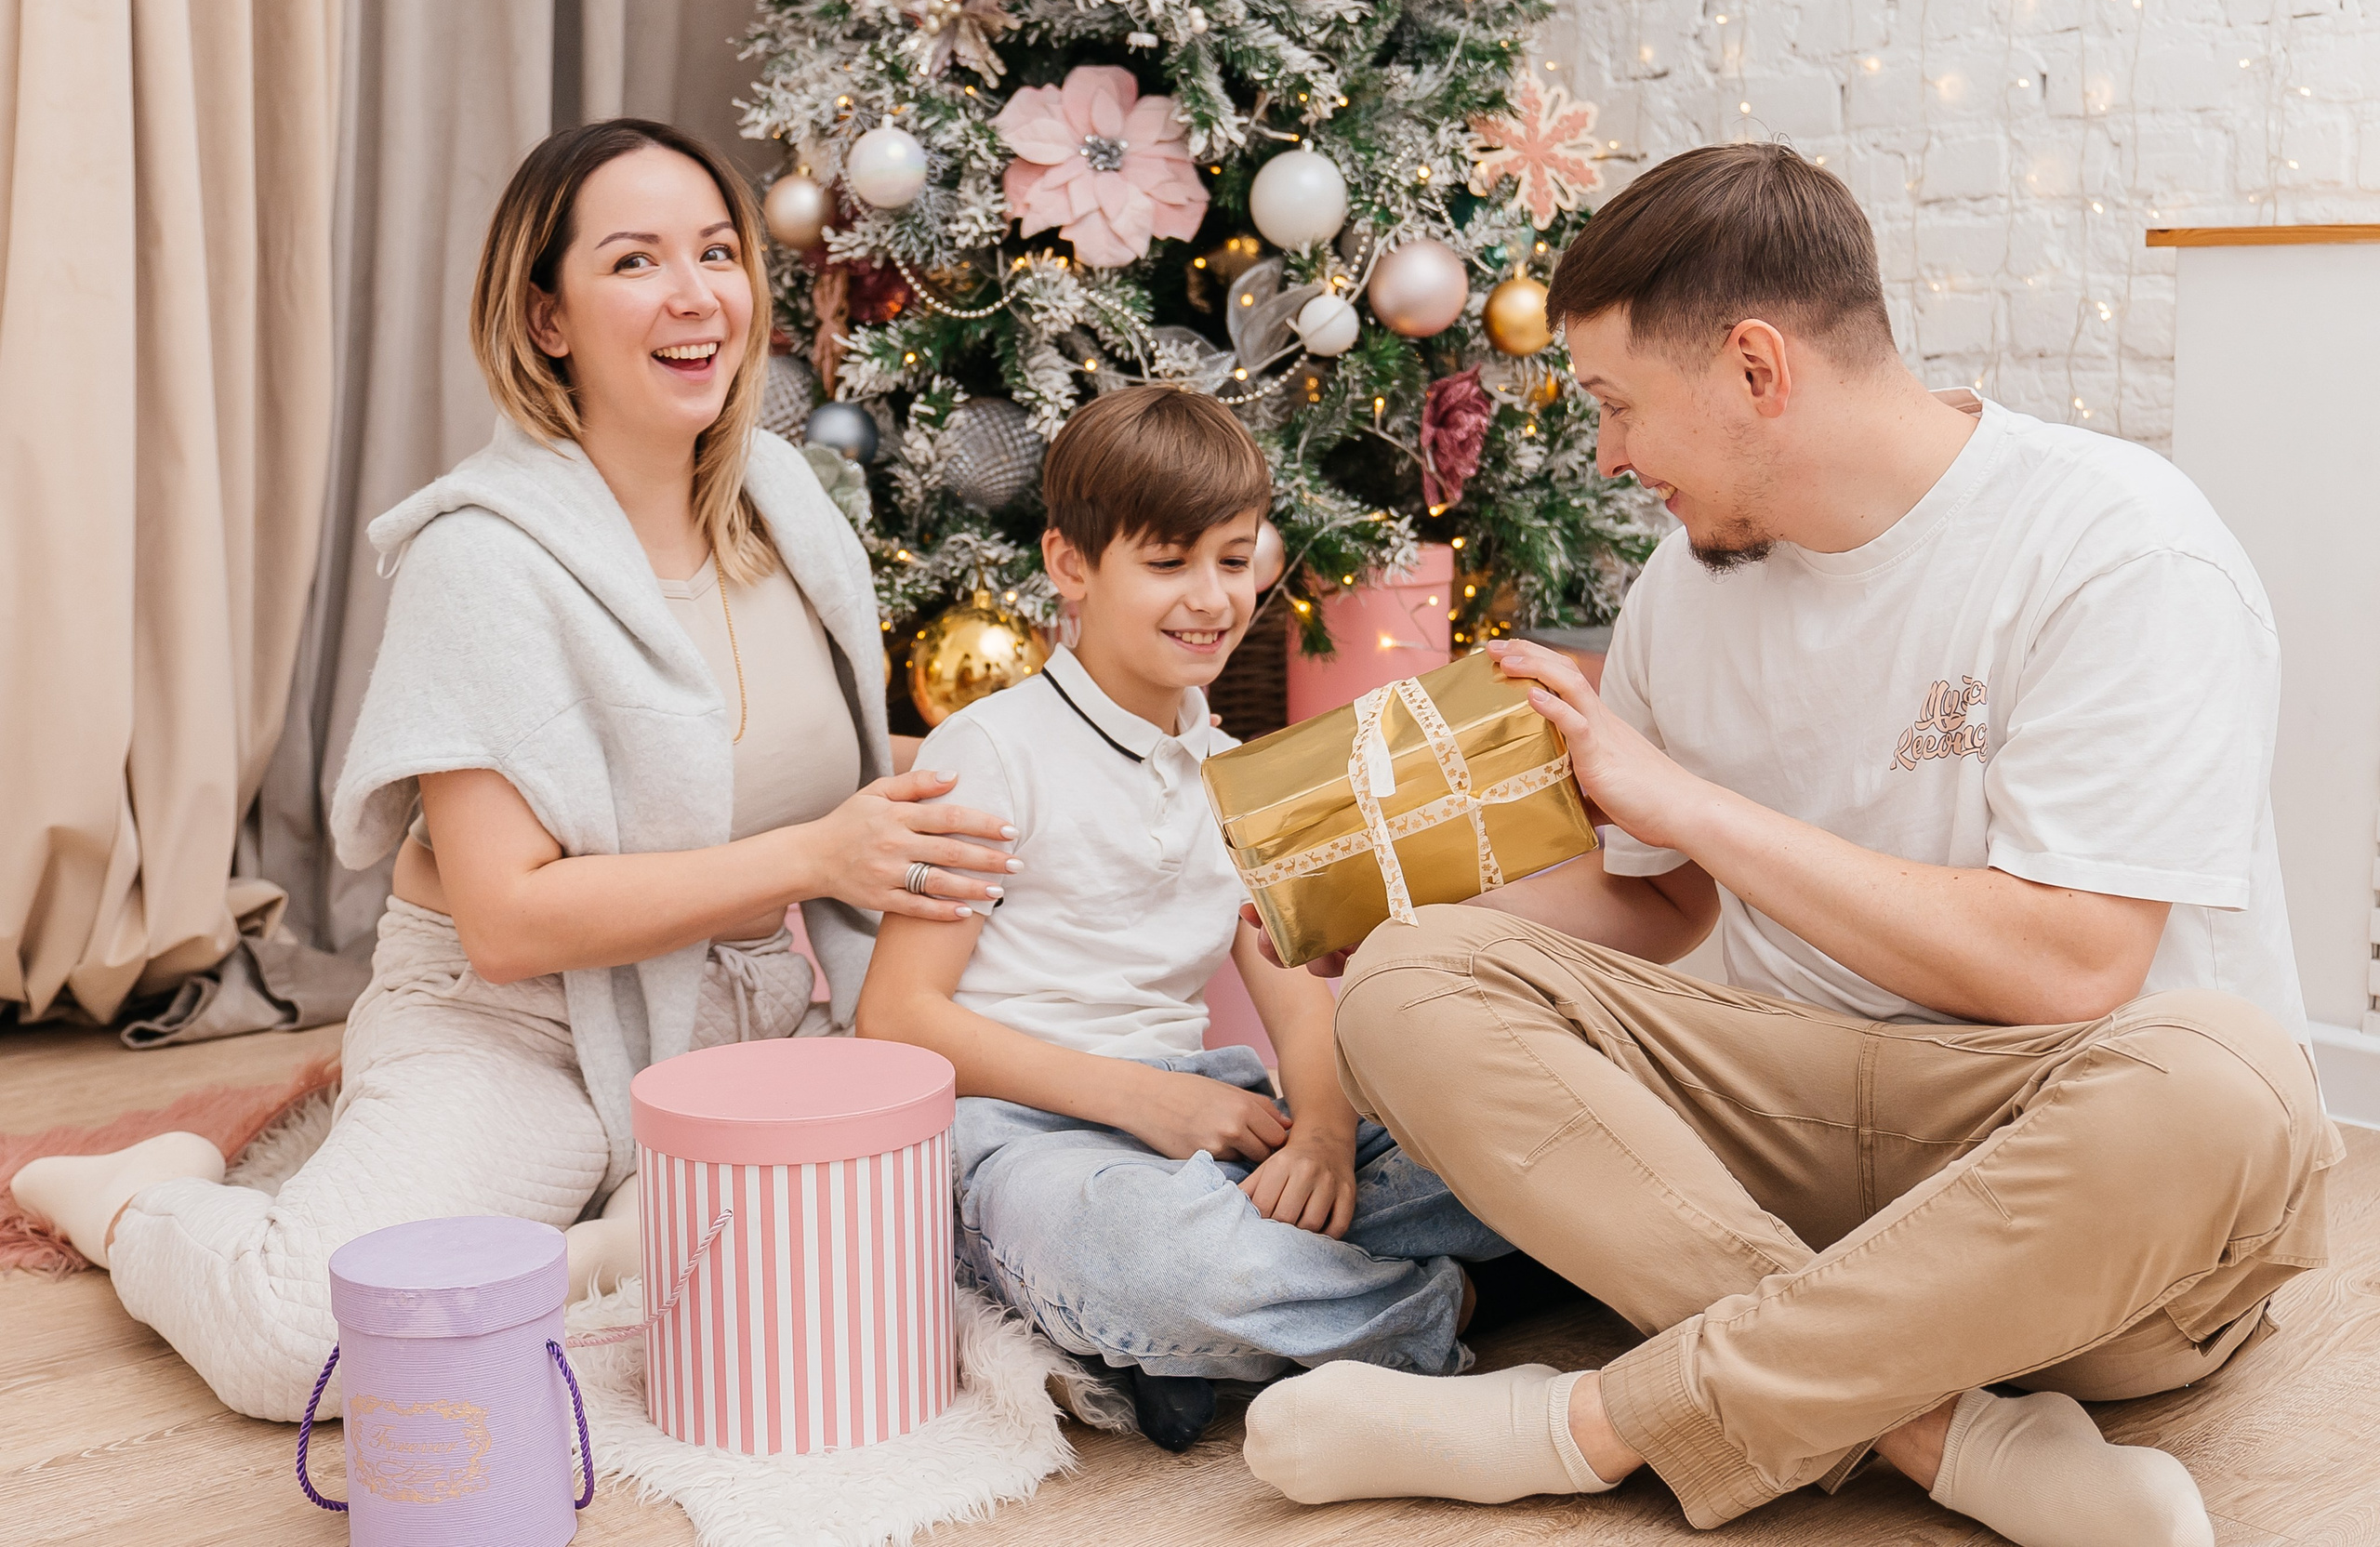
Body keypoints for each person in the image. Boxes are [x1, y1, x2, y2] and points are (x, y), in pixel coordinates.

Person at [1238, 143, 2344, 1547]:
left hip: (2064, 1171)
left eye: (1620, 405)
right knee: (1410, 973)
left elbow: (2069, 966)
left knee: (2236, 1085)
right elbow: (1664, 905)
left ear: (1757, 368)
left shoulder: (2120, 548)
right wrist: (1407, 904)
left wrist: (1687, 800)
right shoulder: (1687, 592)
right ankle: (1942, 1431)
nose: (1608, 457)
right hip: (1799, 1144)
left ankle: (1580, 1426)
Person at [9, 118, 1014, 1421]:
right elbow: (506, 919)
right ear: (547, 318)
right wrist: (820, 856)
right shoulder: (479, 560)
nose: (698, 291)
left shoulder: (785, 497)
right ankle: (141, 1193)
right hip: (517, 1030)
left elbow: (840, 767)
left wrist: (1054, 766)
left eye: (717, 249)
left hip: (740, 1010)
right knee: (302, 1344)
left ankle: (614, 1237)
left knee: (939, 1234)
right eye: (636, 261)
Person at [855, 385, 1511, 1452]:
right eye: (1168, 564)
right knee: (1166, 1263)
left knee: (1501, 1132)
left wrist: (1329, 1141)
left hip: (1203, 1127)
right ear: (1071, 566)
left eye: (1234, 557)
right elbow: (897, 1020)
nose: (1212, 597)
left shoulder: (1238, 776)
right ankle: (1444, 1311)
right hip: (1021, 1145)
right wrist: (1148, 1104)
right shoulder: (989, 748)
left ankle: (1215, 1342)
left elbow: (1302, 1010)